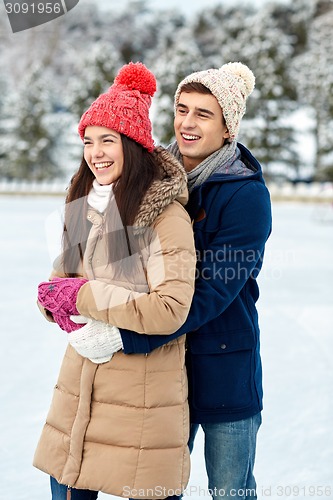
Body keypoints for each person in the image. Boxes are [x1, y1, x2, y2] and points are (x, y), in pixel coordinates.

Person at [33, 62, 196, 500]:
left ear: (134, 145)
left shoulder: (166, 217)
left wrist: (83, 296)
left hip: (141, 407)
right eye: (88, 141)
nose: (96, 152)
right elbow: (60, 285)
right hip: (77, 402)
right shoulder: (85, 205)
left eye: (108, 140)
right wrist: (53, 302)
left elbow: (170, 308)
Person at [116, 62, 273, 500]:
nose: (186, 123)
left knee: (230, 491)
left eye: (203, 114)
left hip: (224, 363)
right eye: (181, 109)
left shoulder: (245, 194)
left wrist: (134, 335)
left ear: (228, 128)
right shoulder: (149, 178)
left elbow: (214, 289)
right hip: (164, 369)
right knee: (154, 489)